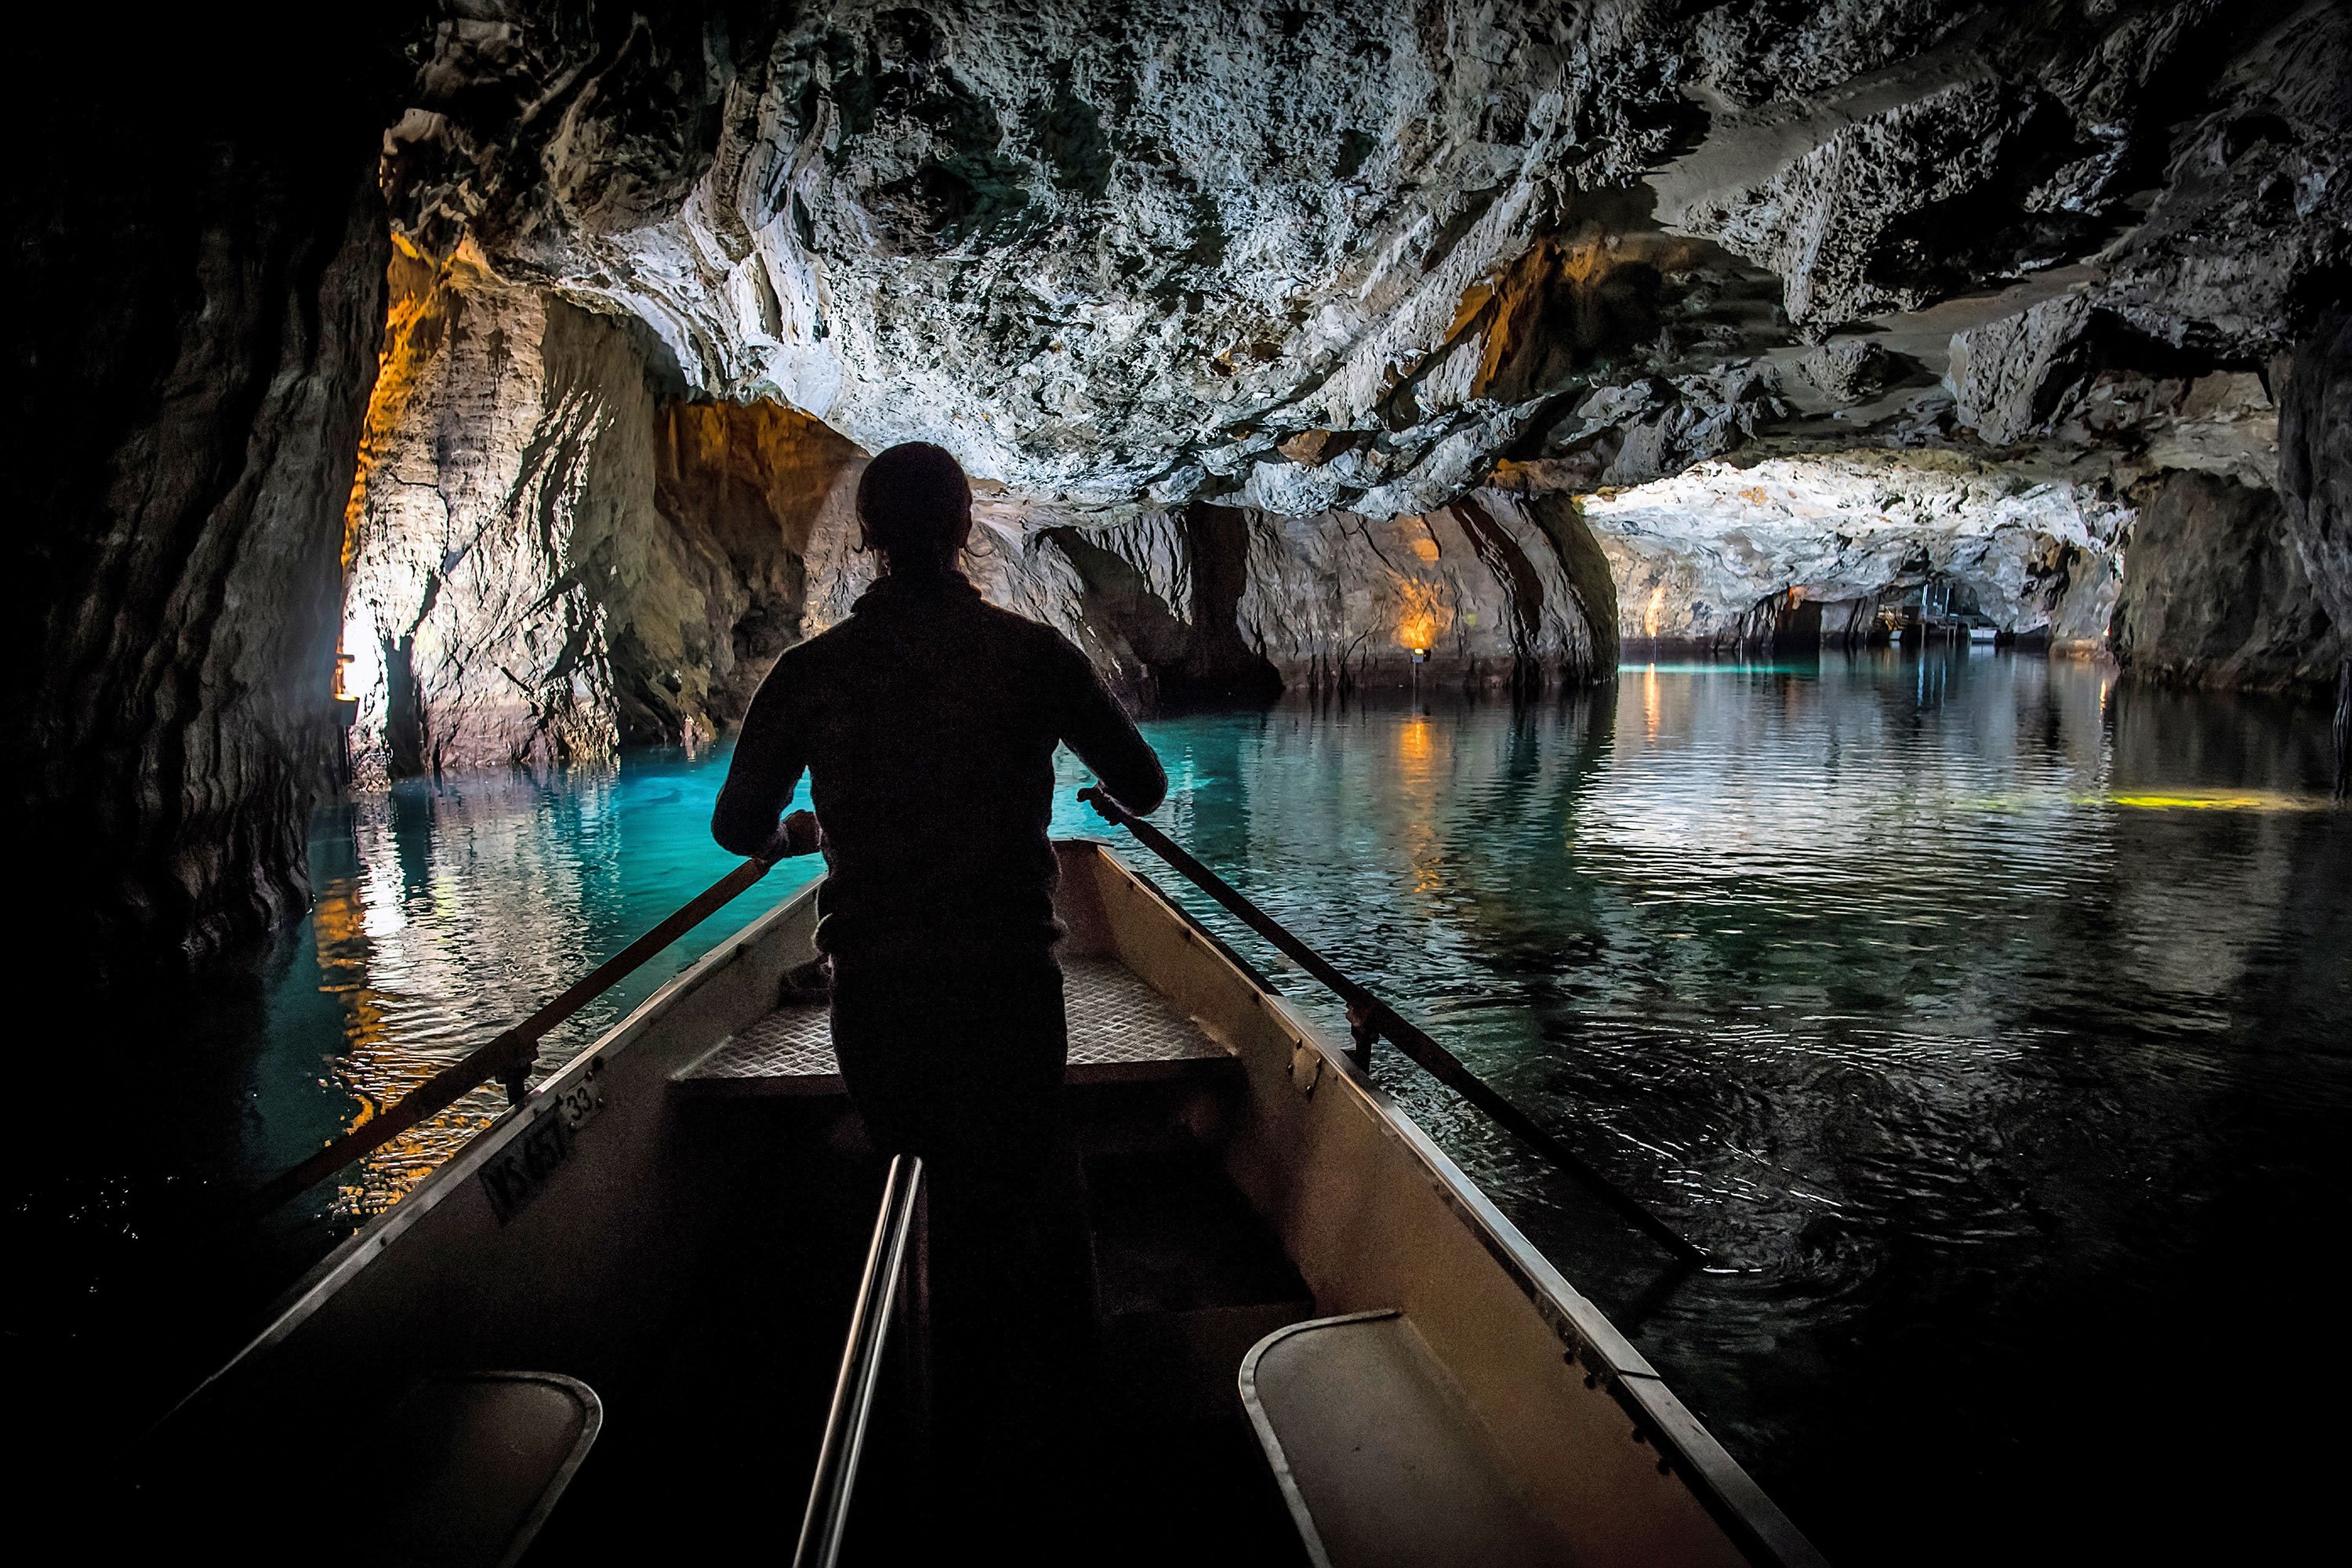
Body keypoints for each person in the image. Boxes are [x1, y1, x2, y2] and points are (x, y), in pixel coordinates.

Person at [710, 440, 1167, 1534]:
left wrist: (797, 830)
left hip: (882, 994)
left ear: (867, 537)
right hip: (1009, 987)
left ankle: (916, 1433)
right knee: (1022, 1190)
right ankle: (1052, 1450)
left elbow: (735, 826)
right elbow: (1143, 785)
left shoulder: (814, 674)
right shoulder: (1032, 657)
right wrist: (1088, 782)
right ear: (964, 530)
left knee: (915, 1178)